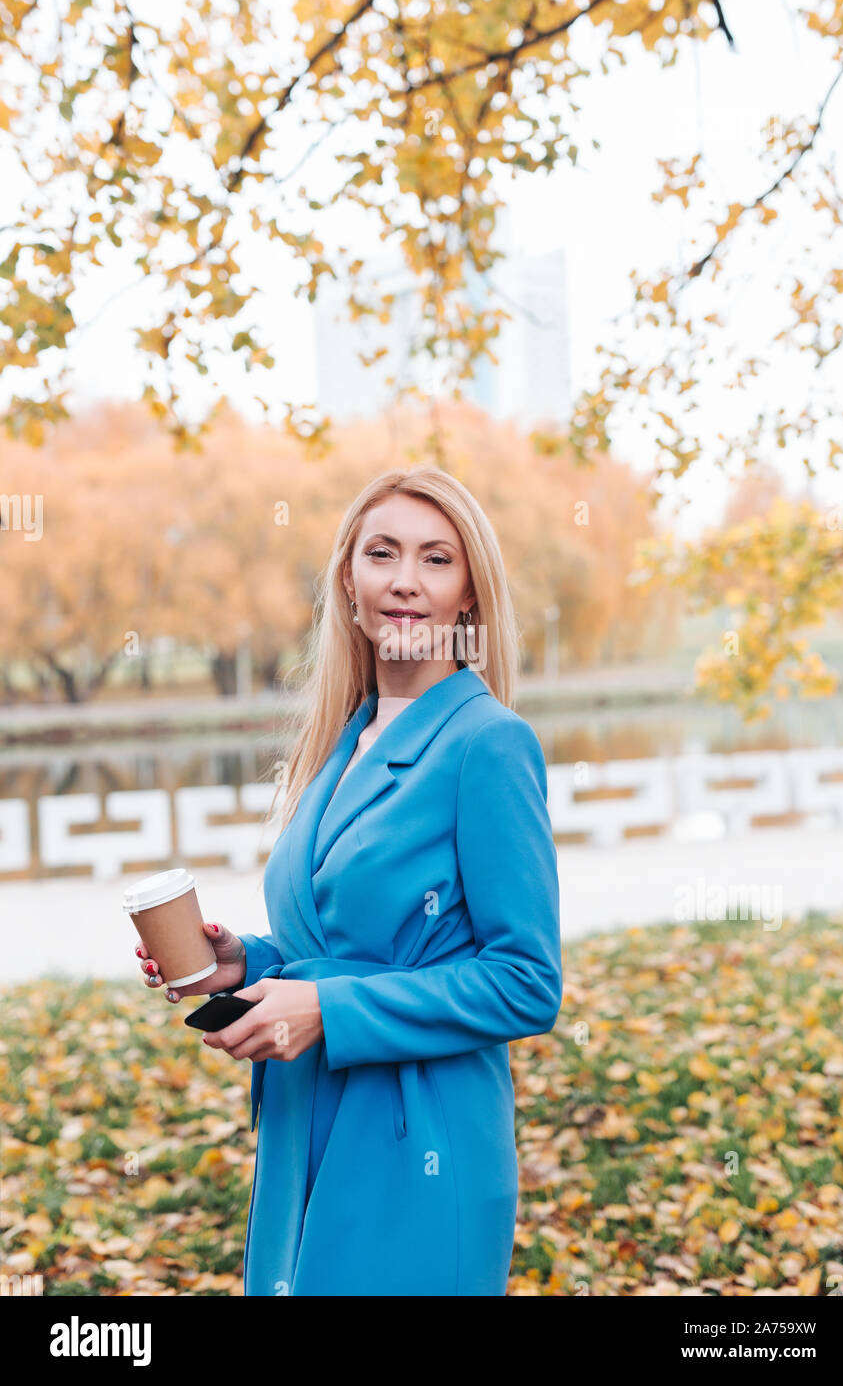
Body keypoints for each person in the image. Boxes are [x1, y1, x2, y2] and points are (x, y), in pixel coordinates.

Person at [137, 466, 562, 1296]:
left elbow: (527, 983)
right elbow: (342, 947)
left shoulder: (488, 745)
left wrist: (328, 1011)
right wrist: (250, 966)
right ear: (349, 580)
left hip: (419, 1139)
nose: (406, 581)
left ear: (470, 594)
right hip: (305, 1123)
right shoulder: (346, 739)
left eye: (437, 560)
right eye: (383, 554)